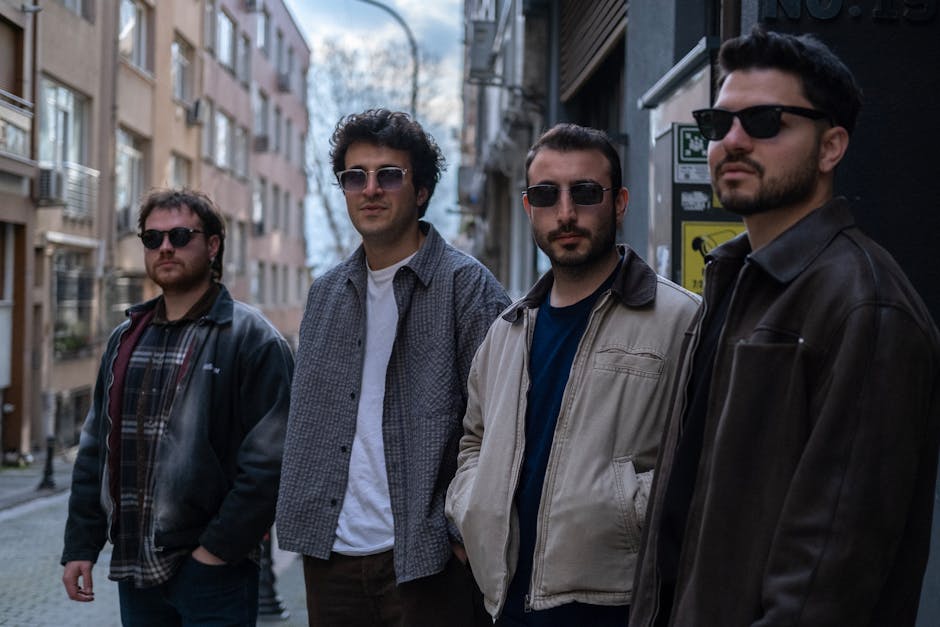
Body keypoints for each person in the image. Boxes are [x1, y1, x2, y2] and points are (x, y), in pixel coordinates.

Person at [630, 27, 940, 627]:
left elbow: (828, 574)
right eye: (718, 124)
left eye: (767, 121)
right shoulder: (731, 279)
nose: (733, 142)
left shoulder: (864, 305)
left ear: (831, 148)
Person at [445, 123, 700, 626]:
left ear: (620, 202)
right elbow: (472, 441)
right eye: (547, 194)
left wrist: (633, 511)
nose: (565, 213)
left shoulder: (683, 321)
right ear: (528, 208)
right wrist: (469, 507)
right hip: (507, 605)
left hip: (620, 605)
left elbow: (707, 454)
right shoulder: (506, 333)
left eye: (585, 193)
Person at [276, 109, 509, 626]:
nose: (370, 190)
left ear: (421, 190)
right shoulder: (326, 294)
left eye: (389, 175)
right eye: (355, 177)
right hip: (331, 556)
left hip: (427, 560)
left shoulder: (466, 288)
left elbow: (504, 421)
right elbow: (307, 422)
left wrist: (460, 532)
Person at [61, 188, 294, 625]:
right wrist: (80, 547)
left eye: (181, 235)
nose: (165, 247)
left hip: (214, 576)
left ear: (213, 245)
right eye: (153, 239)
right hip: (136, 571)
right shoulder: (124, 339)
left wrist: (216, 552)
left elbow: (273, 461)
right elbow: (95, 449)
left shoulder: (251, 338)